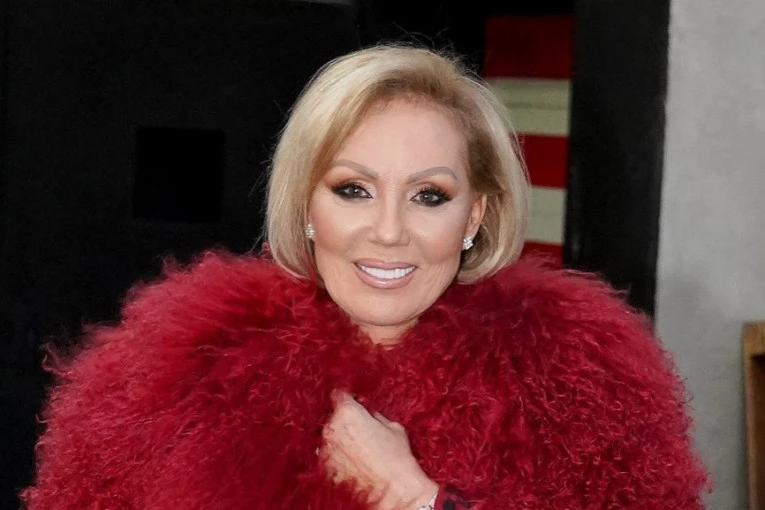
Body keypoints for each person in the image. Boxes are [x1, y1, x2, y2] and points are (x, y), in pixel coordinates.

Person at [21, 44, 709, 509]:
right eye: (353, 189)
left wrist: (415, 498)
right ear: (305, 204)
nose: (387, 230)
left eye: (429, 195)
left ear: (475, 214)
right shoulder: (169, 367)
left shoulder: (582, 381)